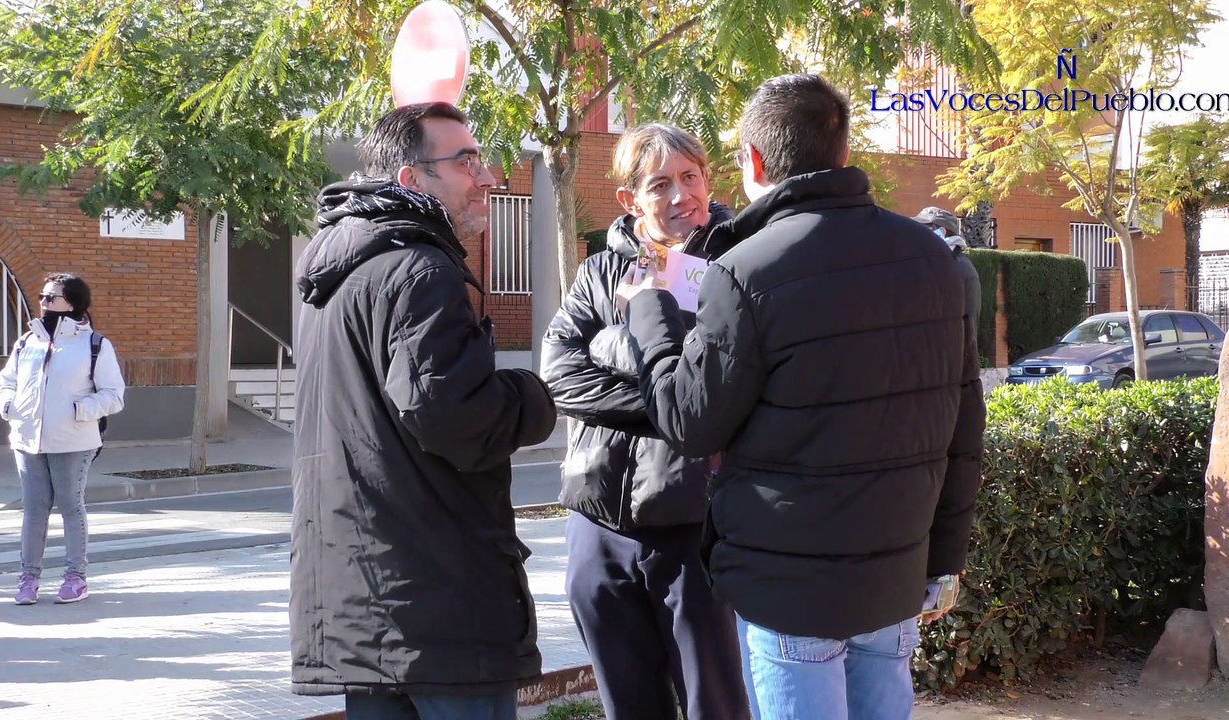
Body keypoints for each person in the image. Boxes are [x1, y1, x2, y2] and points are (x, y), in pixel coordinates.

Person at [622, 75, 986, 720]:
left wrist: (649, 310)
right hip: (894, 574)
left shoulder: (746, 271)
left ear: (754, 161)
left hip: (788, 589)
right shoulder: (934, 261)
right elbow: (965, 426)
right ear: (843, 152)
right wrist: (943, 562)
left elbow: (689, 421)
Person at [290, 102, 558, 720]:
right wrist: (534, 395)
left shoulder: (341, 274)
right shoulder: (420, 270)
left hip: (364, 603)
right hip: (437, 609)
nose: (488, 177)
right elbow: (457, 418)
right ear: (412, 179)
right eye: (467, 162)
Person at [540, 123, 748, 720]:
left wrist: (610, 346)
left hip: (696, 524)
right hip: (597, 522)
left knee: (714, 705)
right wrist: (669, 398)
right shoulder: (598, 273)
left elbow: (723, 379)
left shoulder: (735, 268)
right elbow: (559, 373)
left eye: (690, 177)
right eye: (660, 184)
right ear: (629, 199)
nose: (681, 195)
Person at [0, 273, 125, 605]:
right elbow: (7, 381)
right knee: (34, 509)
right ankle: (28, 579)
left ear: (72, 304)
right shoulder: (28, 342)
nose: (43, 302)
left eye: (51, 297)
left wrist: (79, 410)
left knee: (70, 506)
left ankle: (75, 578)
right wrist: (8, 404)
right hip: (27, 440)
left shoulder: (95, 345)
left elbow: (114, 395)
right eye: (42, 296)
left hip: (73, 441)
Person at [913, 206, 981, 333]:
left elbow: (967, 325)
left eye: (924, 228)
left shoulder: (959, 267)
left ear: (942, 232)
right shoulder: (938, 262)